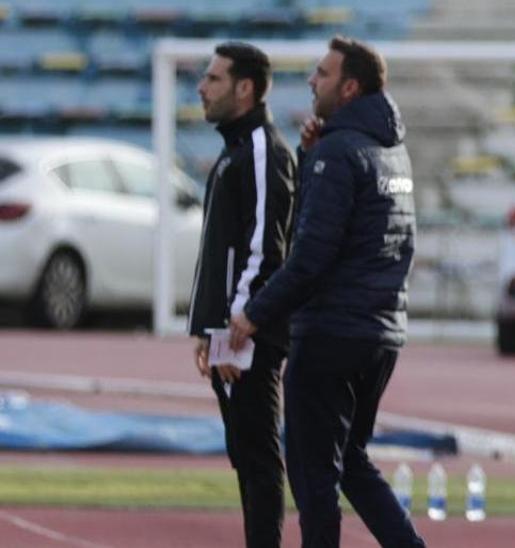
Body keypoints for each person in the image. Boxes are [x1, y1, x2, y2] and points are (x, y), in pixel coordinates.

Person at [228, 36, 425, 547]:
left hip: (331, 333)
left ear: (350, 87)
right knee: (352, 460)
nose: (312, 81)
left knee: (315, 475)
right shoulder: (393, 155)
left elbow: (310, 255)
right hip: (382, 334)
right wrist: (312, 153)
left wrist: (253, 313)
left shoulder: (337, 153)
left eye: (323, 73)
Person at [187, 41, 295, 548]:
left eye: (213, 79)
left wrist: (236, 331)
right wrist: (209, 328)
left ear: (245, 88)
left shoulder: (261, 150)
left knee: (258, 457)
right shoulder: (235, 150)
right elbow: (223, 249)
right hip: (232, 331)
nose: (202, 88)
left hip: (249, 334)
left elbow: (263, 249)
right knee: (245, 456)